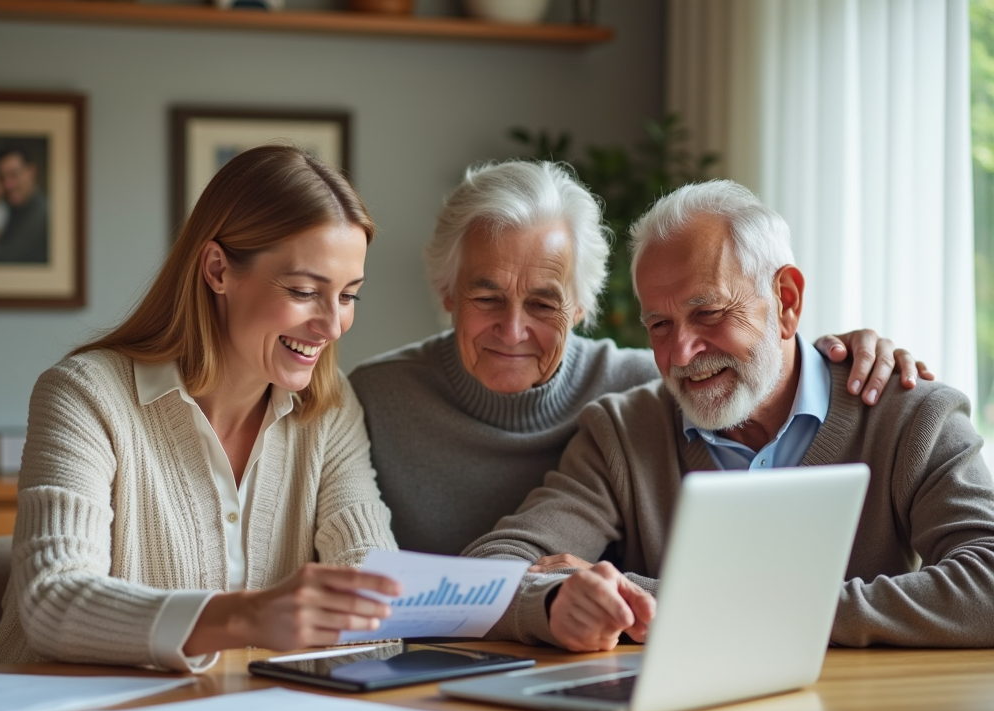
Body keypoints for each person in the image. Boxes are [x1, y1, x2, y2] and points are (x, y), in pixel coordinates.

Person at [464, 179, 994, 650]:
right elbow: (484, 577)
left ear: (785, 301)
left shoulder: (911, 415)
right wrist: (554, 602)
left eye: (709, 313)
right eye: (659, 325)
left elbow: (986, 584)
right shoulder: (623, 434)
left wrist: (667, 602)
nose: (681, 354)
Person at [350, 160, 929, 557]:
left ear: (580, 307)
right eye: (486, 297)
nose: (513, 328)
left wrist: (841, 355)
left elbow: (763, 364)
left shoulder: (644, 390)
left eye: (544, 302)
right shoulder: (635, 419)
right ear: (447, 293)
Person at [0, 146, 400, 671]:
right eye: (303, 291)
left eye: (348, 297)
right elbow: (53, 601)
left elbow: (376, 591)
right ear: (218, 268)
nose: (332, 325)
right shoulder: (85, 394)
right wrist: (245, 617)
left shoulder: (329, 408)